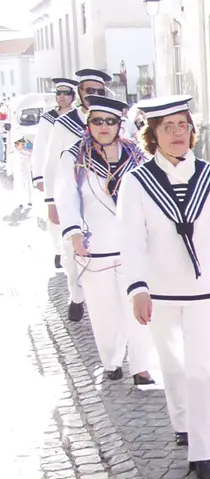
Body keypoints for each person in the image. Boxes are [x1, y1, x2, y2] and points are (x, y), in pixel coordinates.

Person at [118, 94, 210, 479]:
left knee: (202, 369)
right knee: (173, 364)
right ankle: (182, 421)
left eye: (184, 126)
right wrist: (138, 289)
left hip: (205, 290)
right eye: (168, 127)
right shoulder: (136, 182)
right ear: (153, 135)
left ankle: (203, 451)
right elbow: (130, 239)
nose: (178, 134)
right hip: (160, 290)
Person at [53, 95, 156, 385]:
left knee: (139, 304)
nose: (103, 126)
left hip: (133, 245)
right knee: (104, 309)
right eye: (97, 121)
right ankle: (111, 360)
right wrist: (73, 233)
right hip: (94, 243)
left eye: (110, 121)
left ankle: (141, 366)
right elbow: (66, 196)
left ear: (119, 124)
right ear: (88, 123)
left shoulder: (137, 155)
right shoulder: (74, 157)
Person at [43, 69, 113, 322]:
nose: (93, 96)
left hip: (106, 199)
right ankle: (76, 295)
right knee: (73, 254)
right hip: (73, 195)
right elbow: (51, 164)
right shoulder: (64, 123)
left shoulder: (116, 120)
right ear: (79, 93)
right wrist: (51, 201)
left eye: (99, 91)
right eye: (88, 91)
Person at [32, 77, 78, 269]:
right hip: (55, 170)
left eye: (66, 93)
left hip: (76, 171)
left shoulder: (79, 117)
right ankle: (59, 250)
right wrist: (39, 175)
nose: (61, 97)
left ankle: (74, 248)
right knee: (54, 214)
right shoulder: (48, 118)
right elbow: (40, 147)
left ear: (73, 96)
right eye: (58, 93)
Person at [9, 137, 33, 210]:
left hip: (26, 172)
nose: (23, 145)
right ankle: (20, 202)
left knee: (28, 186)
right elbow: (10, 163)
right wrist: (10, 172)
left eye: (24, 144)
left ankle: (29, 201)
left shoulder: (27, 152)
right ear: (16, 145)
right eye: (22, 144)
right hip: (17, 173)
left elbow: (32, 159)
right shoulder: (13, 153)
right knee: (18, 187)